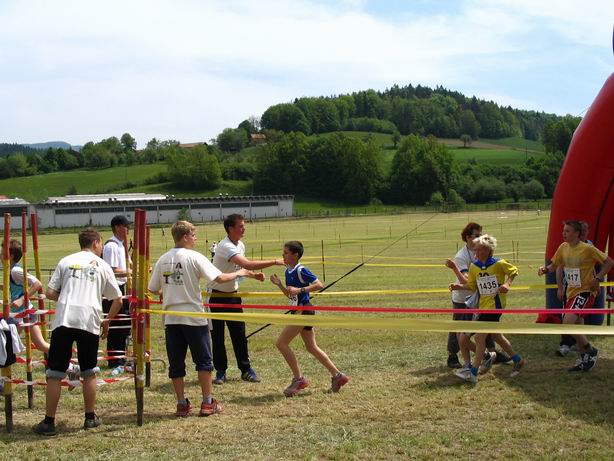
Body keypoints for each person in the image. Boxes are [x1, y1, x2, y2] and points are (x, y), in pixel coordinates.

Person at [148, 220, 261, 417]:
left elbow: (152, 288)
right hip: (194, 317)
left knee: (176, 364)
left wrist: (167, 291)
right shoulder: (194, 257)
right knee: (204, 361)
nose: (195, 239)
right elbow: (219, 278)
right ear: (185, 237)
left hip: (172, 319)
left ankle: (181, 404)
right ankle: (207, 402)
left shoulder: (163, 259)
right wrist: (240, 272)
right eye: (193, 235)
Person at [33, 228, 123, 436]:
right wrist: (107, 320)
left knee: (55, 372)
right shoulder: (102, 265)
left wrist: (68, 297)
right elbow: (117, 299)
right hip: (89, 320)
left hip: (64, 320)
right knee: (89, 370)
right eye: (101, 245)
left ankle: (49, 422)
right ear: (96, 243)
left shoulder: (66, 261)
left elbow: (50, 292)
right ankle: (90, 417)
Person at [209, 214, 283, 385]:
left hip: (233, 296)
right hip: (216, 296)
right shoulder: (225, 246)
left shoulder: (240, 245)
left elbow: (241, 268)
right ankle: (220, 371)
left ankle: (246, 370)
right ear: (230, 229)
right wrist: (275, 261)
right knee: (217, 337)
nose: (244, 229)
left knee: (239, 335)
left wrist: (253, 275)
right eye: (240, 226)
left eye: (244, 225)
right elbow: (246, 264)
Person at [270, 241, 349, 397]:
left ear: (295, 255)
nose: (283, 255)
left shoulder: (301, 270)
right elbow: (291, 294)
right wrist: (280, 285)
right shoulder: (288, 271)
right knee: (311, 347)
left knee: (281, 343)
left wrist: (301, 289)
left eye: (286, 253)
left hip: (304, 311)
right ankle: (338, 376)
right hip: (299, 311)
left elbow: (319, 284)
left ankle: (299, 379)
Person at [538, 220, 614, 372]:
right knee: (577, 326)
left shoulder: (587, 248)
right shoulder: (563, 247)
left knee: (567, 323)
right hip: (571, 292)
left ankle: (590, 351)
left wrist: (598, 278)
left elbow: (609, 262)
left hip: (585, 291)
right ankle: (585, 358)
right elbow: (555, 265)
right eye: (563, 230)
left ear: (577, 233)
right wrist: (545, 269)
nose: (563, 233)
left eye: (567, 231)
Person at [450, 234, 526, 384]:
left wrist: (507, 284)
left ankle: (473, 372)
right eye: (475, 250)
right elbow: (472, 286)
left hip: (495, 307)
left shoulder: (499, 263)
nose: (476, 252)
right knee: (496, 336)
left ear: (488, 250)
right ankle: (518, 360)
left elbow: (514, 271)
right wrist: (459, 286)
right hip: (482, 306)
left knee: (479, 338)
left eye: (479, 250)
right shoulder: (474, 267)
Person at [445, 223, 507, 370]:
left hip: (479, 297)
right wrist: (455, 269)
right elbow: (466, 281)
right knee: (459, 329)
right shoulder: (461, 256)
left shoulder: (482, 250)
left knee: (485, 325)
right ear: (468, 237)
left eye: (481, 234)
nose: (481, 237)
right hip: (463, 298)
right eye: (477, 235)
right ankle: (453, 356)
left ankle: (492, 353)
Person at [101, 215, 132, 373]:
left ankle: (121, 357)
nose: (128, 229)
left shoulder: (122, 245)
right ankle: (114, 360)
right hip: (112, 290)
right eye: (126, 226)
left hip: (122, 287)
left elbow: (127, 265)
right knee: (115, 325)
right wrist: (130, 272)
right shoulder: (111, 246)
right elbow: (111, 270)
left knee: (123, 325)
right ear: (118, 227)